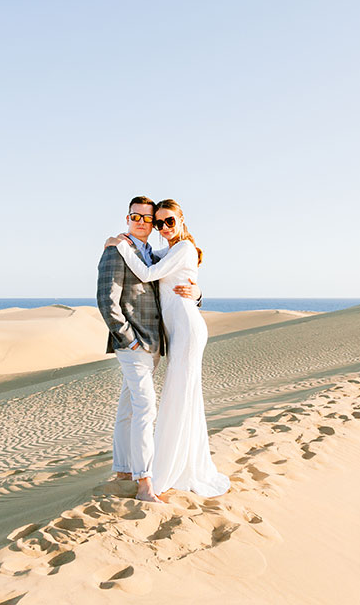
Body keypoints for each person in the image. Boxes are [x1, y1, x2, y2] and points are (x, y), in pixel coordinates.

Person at [105, 199, 229, 499]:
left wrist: (117, 246)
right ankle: (170, 464)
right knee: (180, 396)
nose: (163, 228)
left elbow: (148, 274)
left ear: (182, 220)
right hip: (175, 333)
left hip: (187, 330)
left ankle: (170, 470)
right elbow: (149, 259)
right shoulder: (171, 250)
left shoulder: (184, 248)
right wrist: (121, 243)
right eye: (158, 223)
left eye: (169, 221)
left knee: (179, 396)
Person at [97, 196, 198, 503]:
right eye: (135, 217)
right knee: (145, 408)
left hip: (153, 344)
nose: (142, 223)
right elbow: (106, 300)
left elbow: (172, 284)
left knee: (129, 407)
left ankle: (123, 469)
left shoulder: (152, 255)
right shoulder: (117, 250)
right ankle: (144, 483)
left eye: (148, 219)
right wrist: (128, 338)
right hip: (134, 344)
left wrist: (197, 292)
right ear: (127, 218)